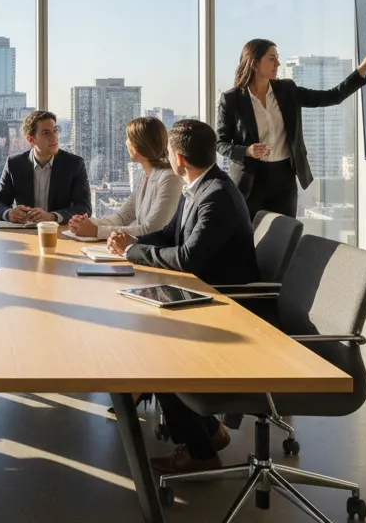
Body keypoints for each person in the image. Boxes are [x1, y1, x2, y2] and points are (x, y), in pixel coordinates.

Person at [103, 119, 256, 476]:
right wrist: (132, 245)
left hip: (226, 306)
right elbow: (171, 233)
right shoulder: (200, 186)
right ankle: (211, 432)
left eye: (170, 152)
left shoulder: (216, 195)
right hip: (204, 295)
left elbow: (188, 257)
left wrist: (132, 253)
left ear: (180, 159)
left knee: (159, 358)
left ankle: (201, 453)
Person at [216, 38, 366, 219]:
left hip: (284, 178)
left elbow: (332, 96)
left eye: (278, 58)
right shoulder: (231, 99)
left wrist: (363, 68)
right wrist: (246, 151)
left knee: (285, 236)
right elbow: (219, 143)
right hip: (249, 181)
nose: (278, 63)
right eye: (272, 58)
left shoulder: (287, 90)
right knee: (248, 238)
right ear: (255, 63)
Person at [67, 116, 181, 240]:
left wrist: (96, 231)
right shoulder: (145, 175)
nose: (126, 142)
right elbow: (123, 217)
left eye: (129, 138)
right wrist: (88, 223)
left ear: (141, 143)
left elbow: (152, 229)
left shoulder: (170, 179)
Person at [0, 110, 91, 224]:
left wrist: (52, 217)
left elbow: (84, 208)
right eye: (46, 133)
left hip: (58, 232)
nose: (54, 137)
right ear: (31, 140)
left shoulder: (74, 164)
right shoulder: (14, 164)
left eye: (55, 130)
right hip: (25, 233)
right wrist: (9, 214)